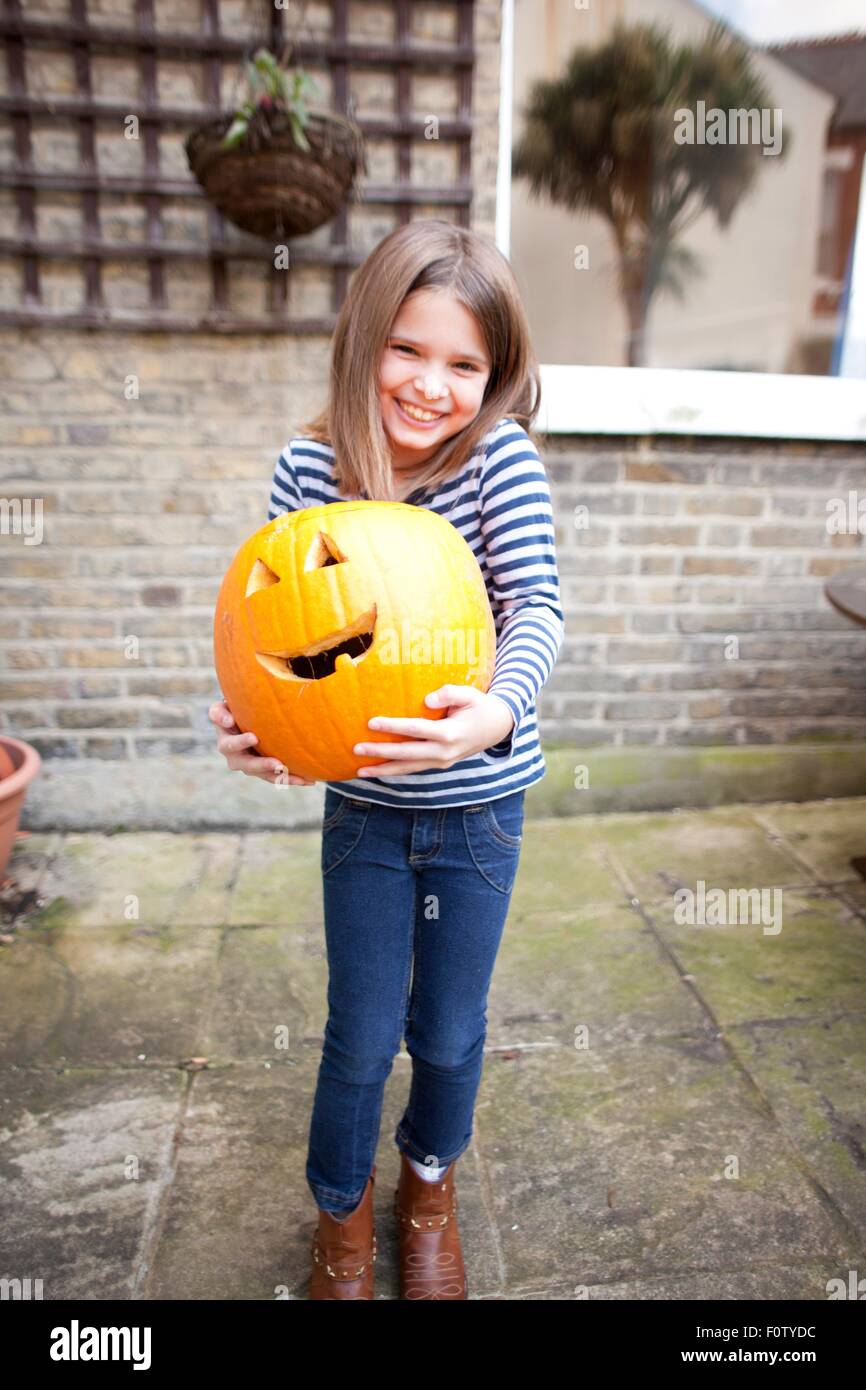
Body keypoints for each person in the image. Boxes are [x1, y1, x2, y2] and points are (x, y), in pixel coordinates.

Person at [208, 218, 564, 1300]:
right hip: (362, 810)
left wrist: (494, 713)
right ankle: (341, 1221)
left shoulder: (496, 460)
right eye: (409, 348)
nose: (430, 385)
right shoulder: (307, 468)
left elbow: (536, 607)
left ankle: (427, 1189)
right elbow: (278, 631)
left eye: (465, 364)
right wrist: (253, 732)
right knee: (357, 1036)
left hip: (478, 810)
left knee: (449, 1033)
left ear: (495, 378)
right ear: (365, 338)